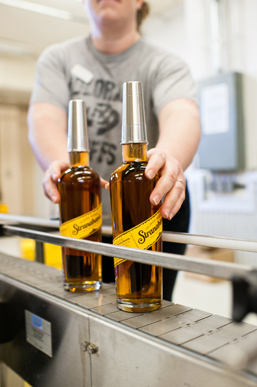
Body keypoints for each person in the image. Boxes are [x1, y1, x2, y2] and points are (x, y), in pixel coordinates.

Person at [27, 0, 201, 301]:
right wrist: (68, 171)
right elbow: (44, 118)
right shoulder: (58, 58)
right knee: (84, 304)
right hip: (83, 213)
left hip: (151, 207)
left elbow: (183, 114)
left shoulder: (165, 63)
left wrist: (167, 157)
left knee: (146, 304)